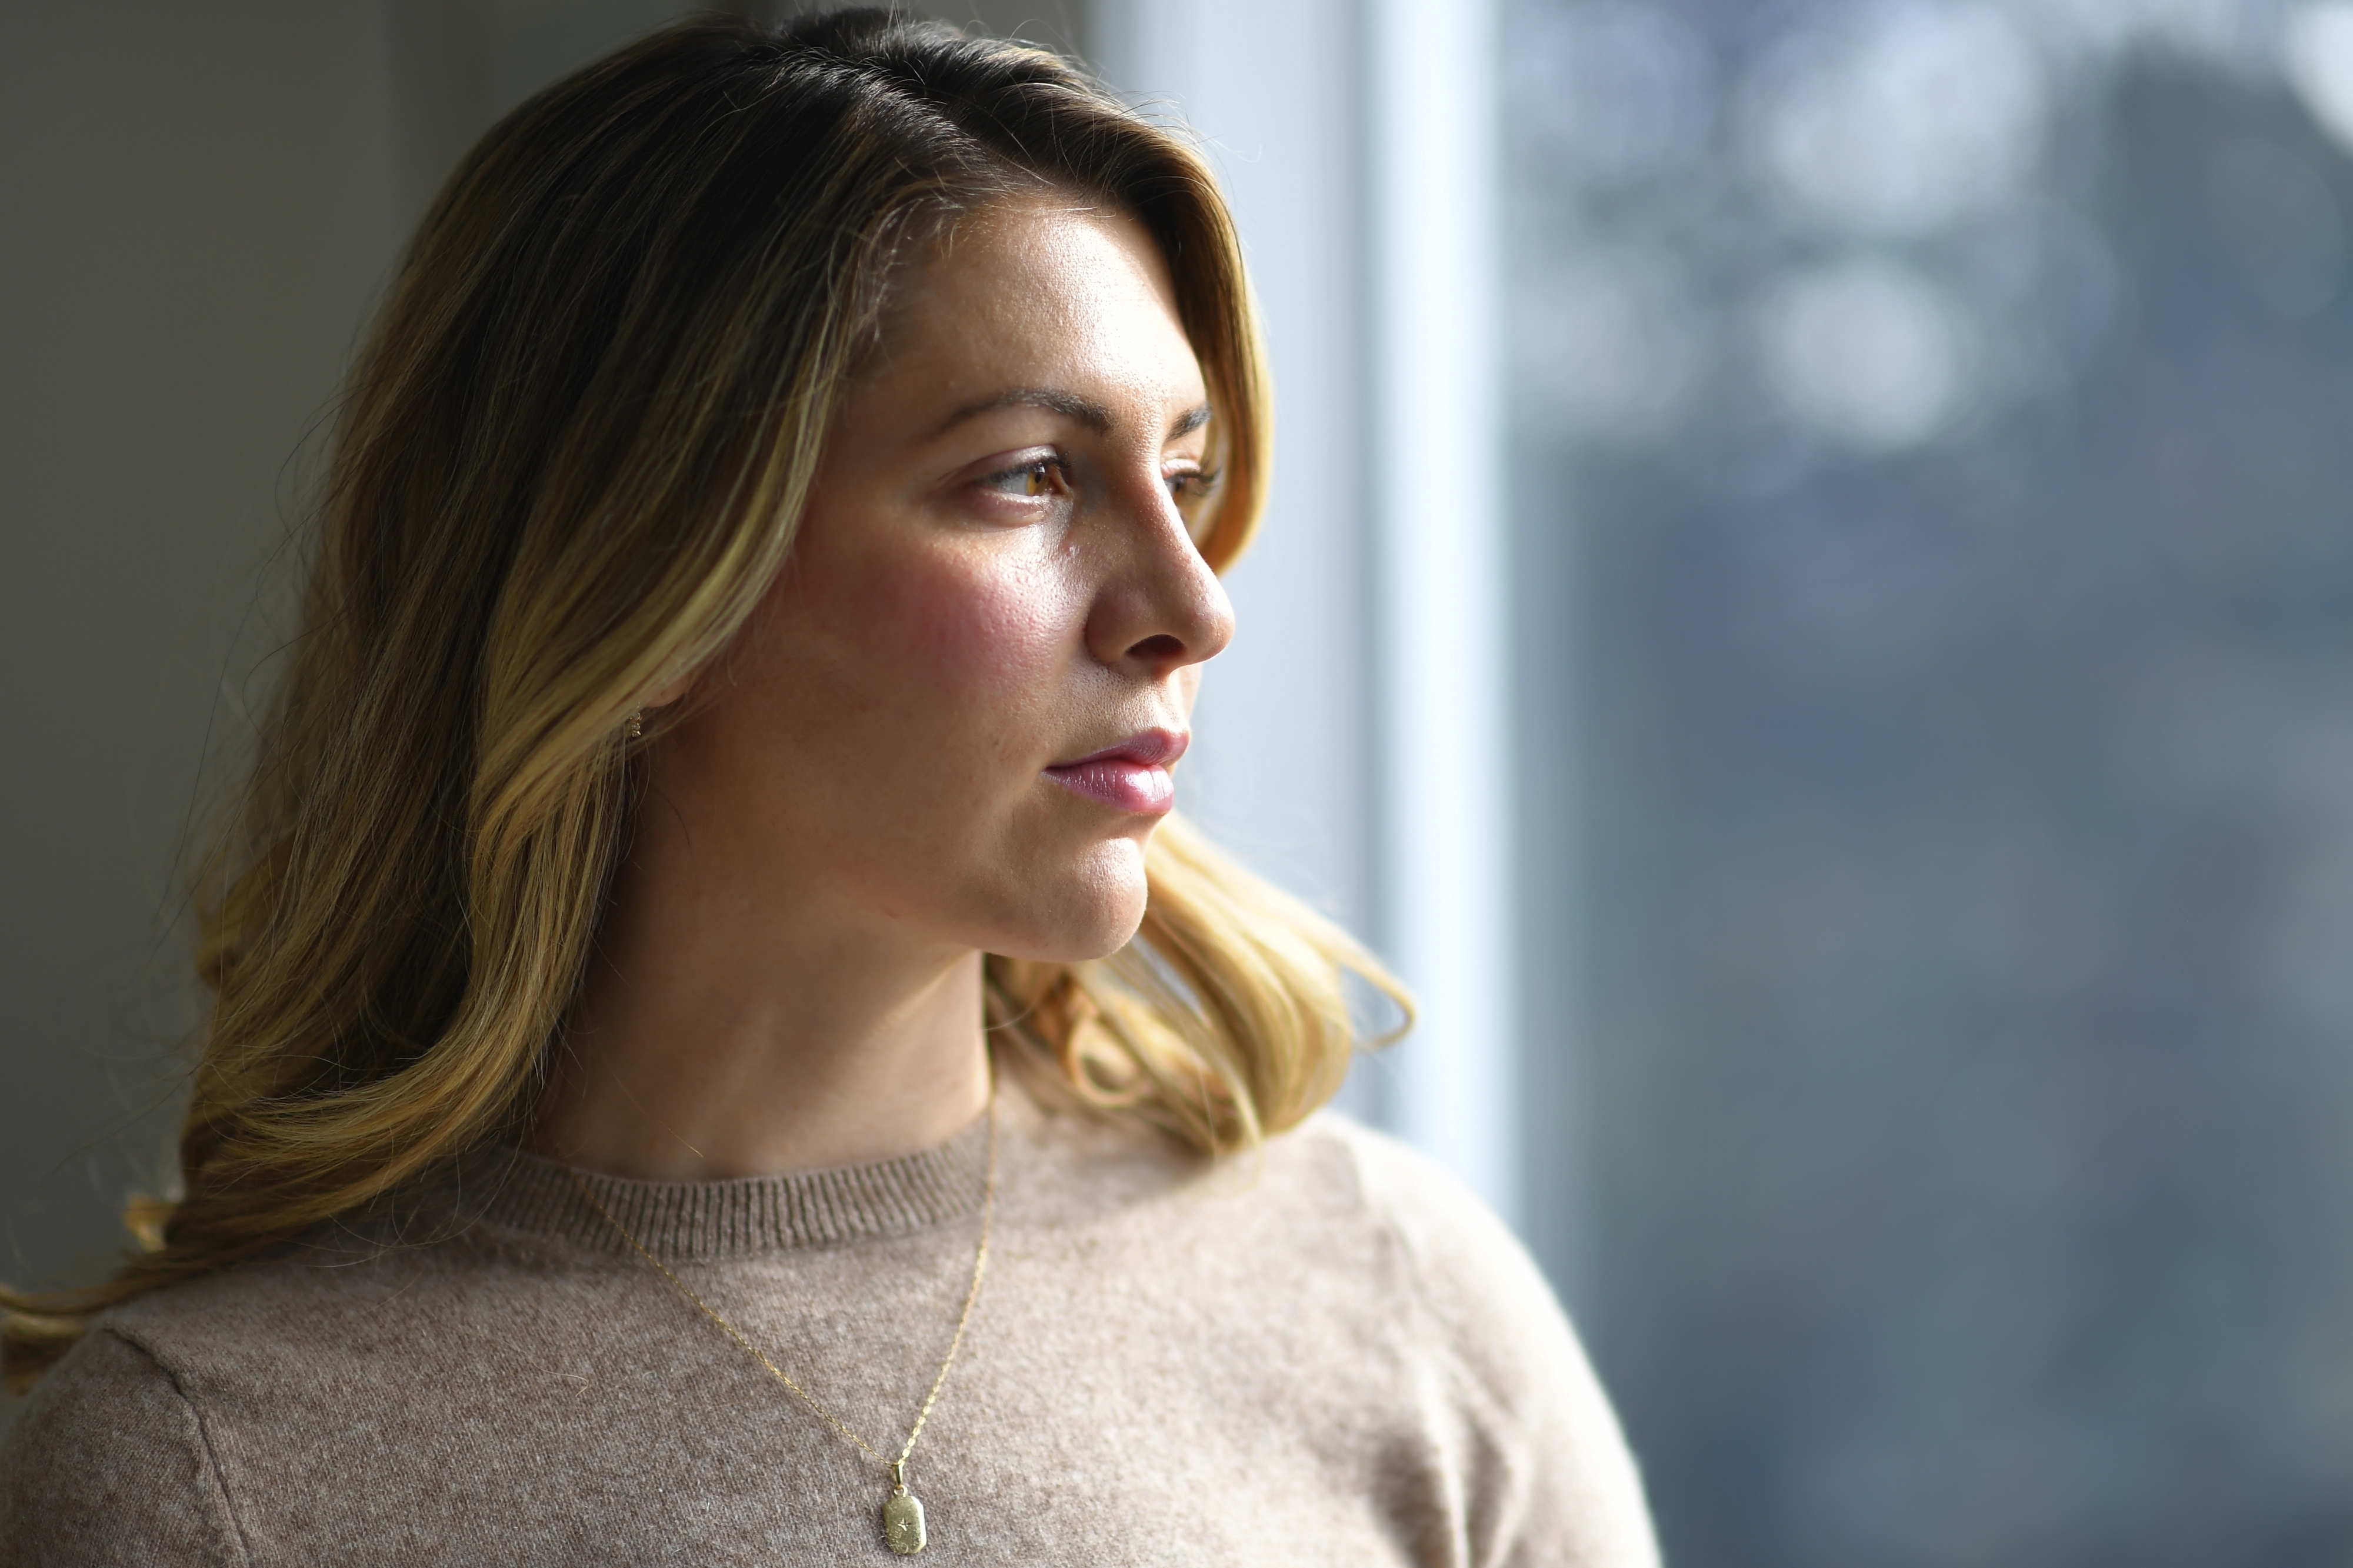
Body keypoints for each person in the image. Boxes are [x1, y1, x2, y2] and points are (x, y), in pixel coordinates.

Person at [0, 12, 1658, 1564]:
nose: (1192, 602)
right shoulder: (201, 1481)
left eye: (1188, 474)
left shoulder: (1395, 1306)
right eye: (1029, 478)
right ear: (649, 581)